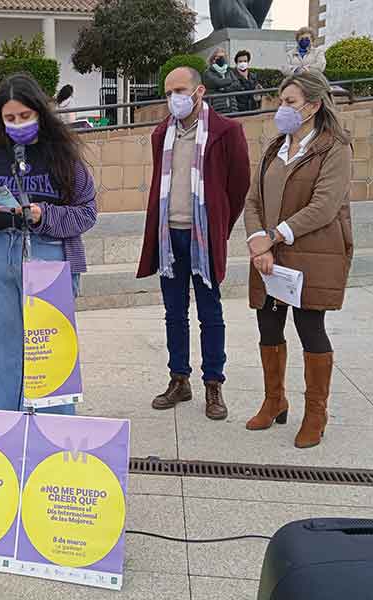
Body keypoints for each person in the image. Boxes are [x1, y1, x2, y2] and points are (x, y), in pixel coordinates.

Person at [0, 73, 97, 415]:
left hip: (47, 253)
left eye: (25, 116)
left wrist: (41, 214)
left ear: (40, 113)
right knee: (1, 352)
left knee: (51, 353)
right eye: (10, 118)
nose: (18, 124)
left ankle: (53, 435)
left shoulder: (64, 158)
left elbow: (87, 212)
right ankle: (2, 430)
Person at [243, 71, 352, 449]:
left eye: (289, 102)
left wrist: (275, 235)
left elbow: (324, 206)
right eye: (281, 101)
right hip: (268, 256)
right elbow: (253, 200)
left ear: (314, 105)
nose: (282, 108)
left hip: (312, 254)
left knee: (310, 329)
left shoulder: (334, 148)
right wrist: (259, 241)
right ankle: (275, 401)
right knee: (268, 329)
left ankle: (315, 414)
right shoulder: (276, 147)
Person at [137, 67, 250, 421]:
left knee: (210, 314)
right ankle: (179, 379)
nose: (174, 98)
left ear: (199, 90)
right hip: (169, 236)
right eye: (169, 92)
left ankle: (213, 383)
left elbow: (239, 185)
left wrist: (218, 226)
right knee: (174, 314)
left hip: (203, 238)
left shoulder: (226, 132)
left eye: (180, 90)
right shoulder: (161, 134)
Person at [203, 48, 240, 114]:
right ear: (213, 59)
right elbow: (218, 82)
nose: (222, 59)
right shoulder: (208, 72)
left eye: (223, 57)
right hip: (217, 108)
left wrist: (225, 89)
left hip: (232, 108)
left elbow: (237, 84)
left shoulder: (229, 71)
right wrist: (230, 80)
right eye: (219, 57)